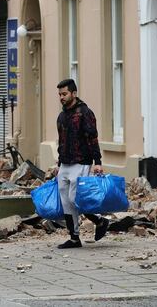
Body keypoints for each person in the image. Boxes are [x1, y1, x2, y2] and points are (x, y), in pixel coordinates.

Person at [55, 78, 110, 249]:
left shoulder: (85, 113)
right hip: (65, 163)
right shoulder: (62, 116)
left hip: (81, 161)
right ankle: (74, 238)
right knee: (65, 200)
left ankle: (100, 220)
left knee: (75, 198)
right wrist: (59, 163)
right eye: (59, 95)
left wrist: (98, 162)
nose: (61, 98)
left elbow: (92, 138)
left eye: (64, 94)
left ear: (74, 93)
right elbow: (62, 141)